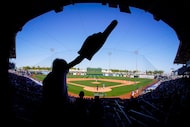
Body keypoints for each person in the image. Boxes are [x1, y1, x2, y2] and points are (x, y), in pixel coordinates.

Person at [40, 20, 118, 125]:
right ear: (62, 69)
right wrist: (102, 37)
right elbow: (76, 61)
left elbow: (76, 61)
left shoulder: (51, 76)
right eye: (66, 68)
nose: (68, 69)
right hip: (59, 114)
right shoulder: (58, 75)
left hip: (53, 112)